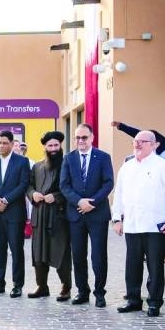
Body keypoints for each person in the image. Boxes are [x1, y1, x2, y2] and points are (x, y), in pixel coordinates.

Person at [112, 131, 165, 317]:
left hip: (155, 226)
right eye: (135, 141)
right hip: (132, 225)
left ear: (154, 145)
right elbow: (118, 195)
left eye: (142, 142)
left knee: (155, 266)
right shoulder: (127, 167)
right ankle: (133, 300)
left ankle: (154, 302)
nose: (137, 144)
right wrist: (117, 218)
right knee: (132, 266)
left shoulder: (163, 166)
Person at [60, 123, 114, 307]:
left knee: (98, 255)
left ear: (92, 138)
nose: (80, 141)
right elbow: (64, 185)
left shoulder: (103, 157)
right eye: (77, 138)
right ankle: (82, 291)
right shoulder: (69, 158)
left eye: (84, 137)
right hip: (76, 214)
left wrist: (92, 202)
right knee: (78, 255)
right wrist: (79, 201)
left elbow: (108, 183)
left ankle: (100, 293)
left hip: (97, 214)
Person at [0, 130, 31, 298]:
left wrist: (5, 200)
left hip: (14, 213)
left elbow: (23, 184)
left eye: (5, 143)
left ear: (12, 143)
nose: (2, 146)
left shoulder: (22, 162)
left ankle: (17, 285)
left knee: (16, 250)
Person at [27, 131, 71, 300]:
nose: (53, 149)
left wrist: (57, 197)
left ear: (60, 146)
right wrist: (33, 194)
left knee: (61, 252)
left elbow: (71, 188)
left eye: (56, 145)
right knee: (39, 254)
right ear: (45, 147)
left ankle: (66, 287)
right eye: (50, 145)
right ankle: (42, 286)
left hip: (59, 216)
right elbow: (29, 186)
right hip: (39, 215)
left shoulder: (67, 164)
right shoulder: (37, 166)